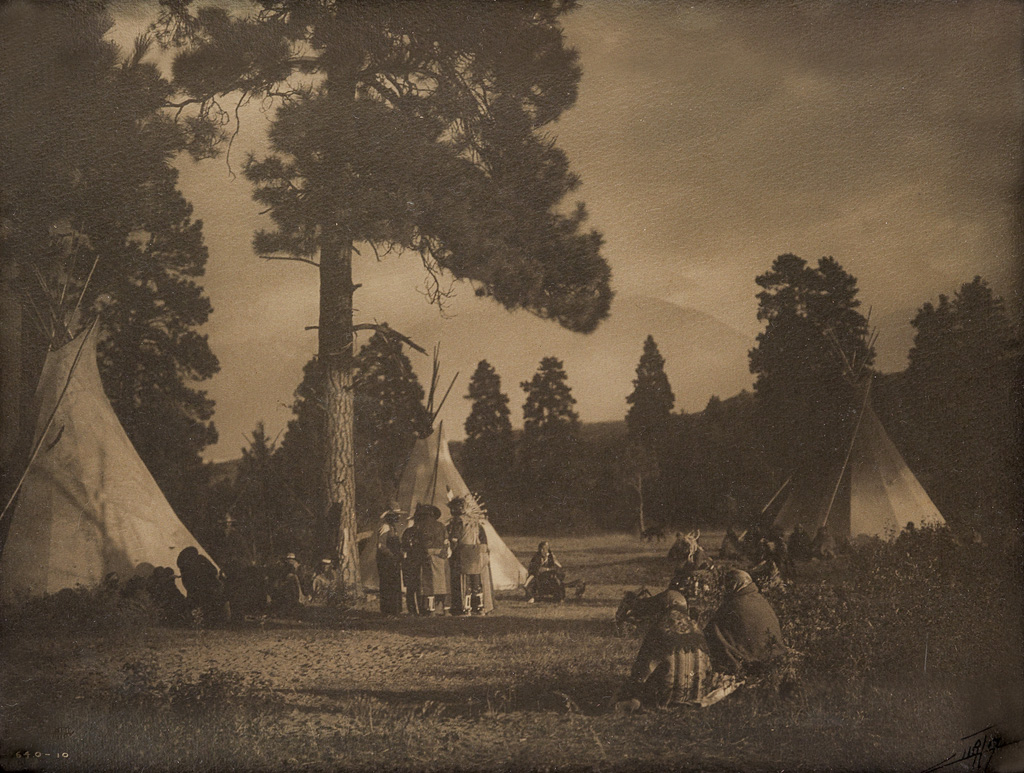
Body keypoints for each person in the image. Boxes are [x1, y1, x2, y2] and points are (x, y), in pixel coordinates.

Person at [616, 586, 713, 710]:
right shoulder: (696, 627)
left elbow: (642, 669)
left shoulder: (661, 627)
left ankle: (636, 703)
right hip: (699, 695)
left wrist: (631, 689)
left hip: (666, 698)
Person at [704, 569, 788, 674]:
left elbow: (710, 629)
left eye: (727, 585)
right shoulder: (760, 599)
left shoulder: (734, 604)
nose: (725, 589)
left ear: (734, 585)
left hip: (754, 661)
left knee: (713, 630)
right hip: (775, 657)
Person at [447, 496, 490, 616]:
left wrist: (451, 549)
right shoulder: (474, 520)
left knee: (464, 580)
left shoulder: (458, 521)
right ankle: (480, 607)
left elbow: (455, 538)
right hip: (475, 551)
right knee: (475, 580)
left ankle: (465, 608)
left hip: (463, 551)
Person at [176, 547, 226, 626]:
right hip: (208, 588)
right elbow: (213, 570)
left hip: (196, 589)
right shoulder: (201, 560)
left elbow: (186, 582)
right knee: (211, 605)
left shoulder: (184, 567)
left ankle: (198, 621)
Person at [415, 504, 451, 615]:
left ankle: (431, 610)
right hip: (442, 557)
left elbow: (422, 544)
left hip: (429, 558)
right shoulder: (441, 526)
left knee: (430, 584)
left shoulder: (421, 527)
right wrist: (443, 551)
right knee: (444, 584)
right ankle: (446, 609)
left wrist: (429, 552)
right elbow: (446, 541)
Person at [376, 510, 404, 615]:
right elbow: (381, 545)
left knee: (394, 584)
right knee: (387, 584)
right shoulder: (385, 527)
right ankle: (388, 610)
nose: (398, 517)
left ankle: (395, 609)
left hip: (393, 560)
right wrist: (391, 555)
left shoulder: (393, 527)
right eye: (396, 515)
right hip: (386, 561)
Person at [400, 514, 423, 616]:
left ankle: (413, 610)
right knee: (415, 587)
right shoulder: (418, 532)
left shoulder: (408, 532)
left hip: (411, 561)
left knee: (412, 587)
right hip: (414, 561)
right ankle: (417, 610)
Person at [270, 553, 306, 617]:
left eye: (292, 559)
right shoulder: (284, 566)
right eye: (289, 559)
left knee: (293, 596)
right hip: (286, 584)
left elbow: (300, 577)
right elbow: (281, 575)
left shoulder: (297, 566)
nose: (290, 561)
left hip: (294, 584)